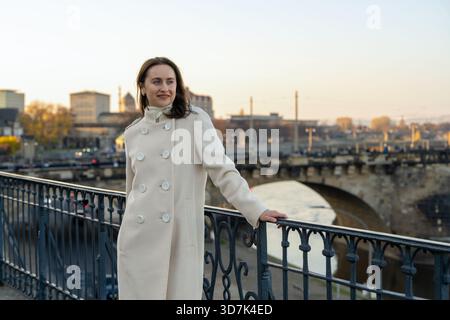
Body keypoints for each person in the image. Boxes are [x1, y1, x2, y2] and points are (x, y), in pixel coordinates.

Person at [117, 57, 287, 300]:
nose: (165, 88)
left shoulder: (194, 120)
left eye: (170, 81)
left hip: (177, 239)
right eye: (156, 81)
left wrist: (256, 209)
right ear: (142, 87)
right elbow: (132, 189)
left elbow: (222, 169)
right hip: (137, 237)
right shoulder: (133, 132)